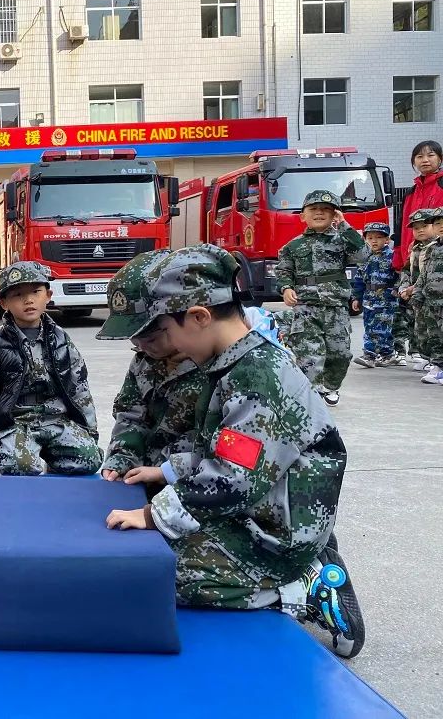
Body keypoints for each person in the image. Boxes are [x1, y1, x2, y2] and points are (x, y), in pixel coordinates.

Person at [103, 244, 364, 660]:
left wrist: (153, 514)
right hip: (258, 505)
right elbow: (229, 451)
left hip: (271, 529)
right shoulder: (233, 365)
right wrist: (166, 471)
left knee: (152, 575)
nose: (159, 348)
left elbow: (232, 479)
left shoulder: (260, 375)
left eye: (162, 333)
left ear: (199, 317)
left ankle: (301, 585)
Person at [0, 261, 101, 476]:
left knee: (89, 460)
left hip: (57, 419)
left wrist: (89, 430)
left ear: (48, 295)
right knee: (20, 468)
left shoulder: (61, 340)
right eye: (17, 295)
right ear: (4, 303)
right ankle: (8, 451)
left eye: (36, 292)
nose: (28, 300)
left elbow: (79, 388)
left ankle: (51, 456)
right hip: (17, 422)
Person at [96, 250, 207, 490]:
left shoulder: (220, 366)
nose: (142, 346)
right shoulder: (144, 360)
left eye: (151, 337)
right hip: (145, 476)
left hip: (197, 485)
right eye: (134, 339)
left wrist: (165, 471)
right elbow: (131, 414)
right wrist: (121, 458)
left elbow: (224, 455)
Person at [275, 190, 370, 406]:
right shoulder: (293, 246)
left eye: (326, 209)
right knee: (308, 352)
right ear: (303, 216)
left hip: (336, 306)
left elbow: (364, 255)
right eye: (313, 209)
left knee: (340, 354)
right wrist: (286, 288)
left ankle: (331, 387)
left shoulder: (342, 240)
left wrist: (345, 226)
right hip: (306, 306)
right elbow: (283, 271)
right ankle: (313, 392)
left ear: (335, 214)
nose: (319, 213)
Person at [350, 222, 398, 367]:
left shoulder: (392, 256)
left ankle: (369, 355)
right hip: (369, 298)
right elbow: (359, 280)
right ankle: (388, 354)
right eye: (370, 238)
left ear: (387, 240)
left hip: (386, 298)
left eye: (378, 237)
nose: (374, 241)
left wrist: (396, 290)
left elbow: (400, 275)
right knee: (372, 327)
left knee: (378, 328)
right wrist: (356, 297)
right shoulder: (365, 258)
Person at [393, 140, 443, 272]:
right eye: (420, 157)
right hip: (412, 258)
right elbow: (401, 227)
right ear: (414, 161)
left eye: (430, 155)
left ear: (440, 159)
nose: (425, 160)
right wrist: (398, 257)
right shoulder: (410, 193)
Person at [398, 209, 439, 371]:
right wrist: (403, 287)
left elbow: (429, 274)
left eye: (424, 226)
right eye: (416, 228)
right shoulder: (414, 248)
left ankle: (436, 360)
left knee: (433, 329)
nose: (420, 230)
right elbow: (407, 270)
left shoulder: (436, 247)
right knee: (418, 328)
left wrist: (412, 289)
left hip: (431, 293)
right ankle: (425, 356)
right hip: (415, 295)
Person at [411, 208, 443, 385]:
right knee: (435, 335)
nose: (441, 226)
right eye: (437, 223)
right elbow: (424, 274)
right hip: (432, 300)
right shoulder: (434, 248)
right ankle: (438, 366)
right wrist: (418, 293)